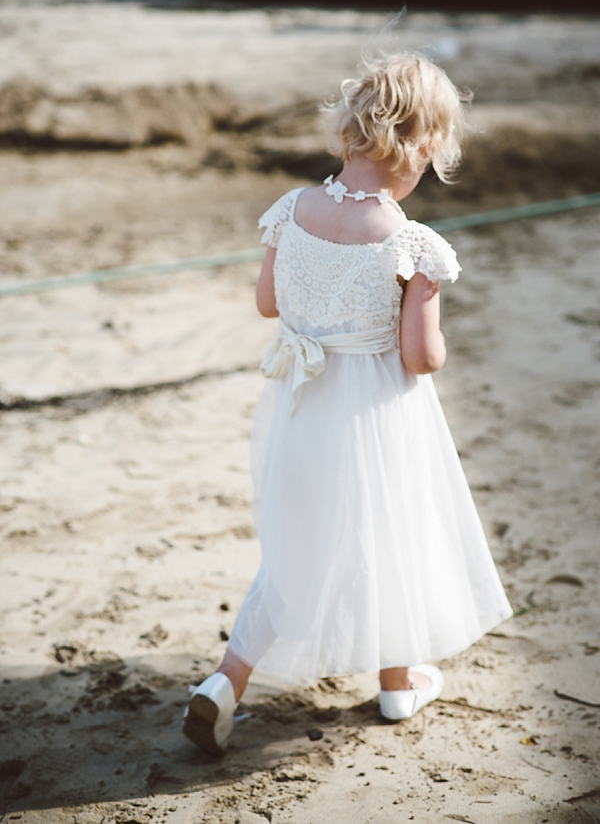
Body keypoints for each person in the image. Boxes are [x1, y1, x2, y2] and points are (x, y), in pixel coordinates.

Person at [183, 54, 513, 756]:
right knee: (391, 537)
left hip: (301, 408)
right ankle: (398, 683)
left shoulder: (294, 210)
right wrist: (437, 334)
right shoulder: (412, 244)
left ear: (350, 130)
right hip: (378, 421)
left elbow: (268, 302)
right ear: (423, 149)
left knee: (295, 546)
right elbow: (420, 357)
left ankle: (224, 682)